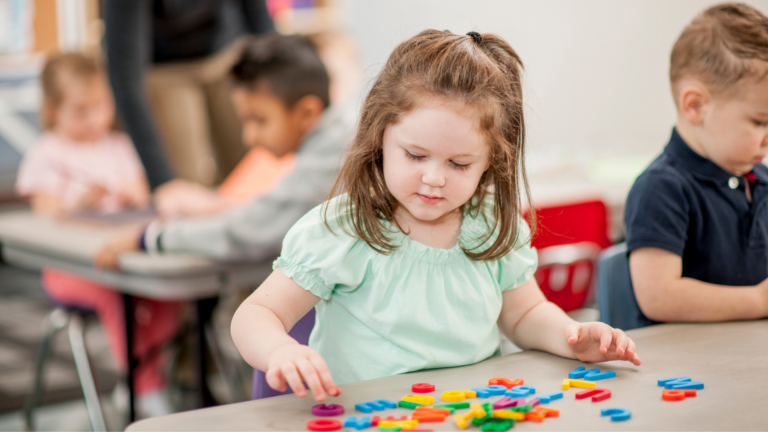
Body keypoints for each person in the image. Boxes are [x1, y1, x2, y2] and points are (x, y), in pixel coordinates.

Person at [230, 30, 643, 402]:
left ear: (490, 162)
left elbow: (524, 314)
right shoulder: (344, 229)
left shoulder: (489, 226)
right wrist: (279, 350)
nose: (434, 178)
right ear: (379, 136)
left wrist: (571, 336)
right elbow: (256, 315)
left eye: (459, 164)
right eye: (415, 155)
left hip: (469, 416)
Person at [95, 33, 355, 265]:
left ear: (307, 112)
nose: (248, 137)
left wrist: (150, 238)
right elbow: (272, 209)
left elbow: (247, 232)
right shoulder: (338, 133)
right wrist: (218, 206)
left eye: (259, 120)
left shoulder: (334, 153)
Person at [15, 52, 179, 417]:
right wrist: (77, 204)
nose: (93, 119)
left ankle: (140, 379)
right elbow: (45, 220)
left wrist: (131, 196)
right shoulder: (46, 154)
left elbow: (143, 198)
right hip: (71, 269)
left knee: (169, 294)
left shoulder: (118, 146)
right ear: (53, 110)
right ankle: (145, 386)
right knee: (116, 295)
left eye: (101, 106)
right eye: (80, 111)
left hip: (125, 260)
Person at [625, 3, 768, 324]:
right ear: (696, 106)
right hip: (684, 355)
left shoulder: (760, 179)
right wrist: (759, 300)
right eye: (760, 122)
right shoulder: (661, 188)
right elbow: (658, 297)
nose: (767, 137)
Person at [104, 0, 273, 189]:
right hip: (166, 70)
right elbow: (125, 79)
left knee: (253, 169)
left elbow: (260, 20)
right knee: (188, 182)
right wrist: (164, 183)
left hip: (227, 54)